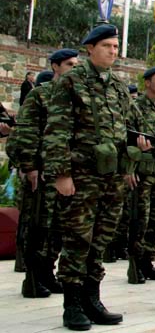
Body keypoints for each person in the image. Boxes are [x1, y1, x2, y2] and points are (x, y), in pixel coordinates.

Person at [44, 25, 138, 330]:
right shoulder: (71, 81)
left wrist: (131, 161)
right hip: (81, 177)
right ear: (90, 49)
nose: (113, 51)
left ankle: (92, 298)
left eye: (115, 46)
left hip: (111, 178)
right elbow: (57, 130)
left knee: (100, 241)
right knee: (77, 239)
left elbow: (124, 132)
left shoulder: (119, 87)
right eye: (107, 46)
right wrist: (62, 174)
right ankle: (72, 304)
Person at [10, 48, 79, 299]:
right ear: (55, 67)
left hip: (64, 172)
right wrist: (30, 166)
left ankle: (48, 273)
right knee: (39, 226)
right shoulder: (41, 95)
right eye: (69, 64)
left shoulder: (74, 96)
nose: (74, 67)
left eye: (76, 64)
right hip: (42, 171)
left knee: (59, 227)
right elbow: (27, 131)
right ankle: (33, 277)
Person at [127, 66, 155, 282]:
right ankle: (135, 263)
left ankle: (147, 261)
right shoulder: (135, 108)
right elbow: (126, 141)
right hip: (142, 173)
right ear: (147, 82)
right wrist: (129, 169)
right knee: (140, 220)